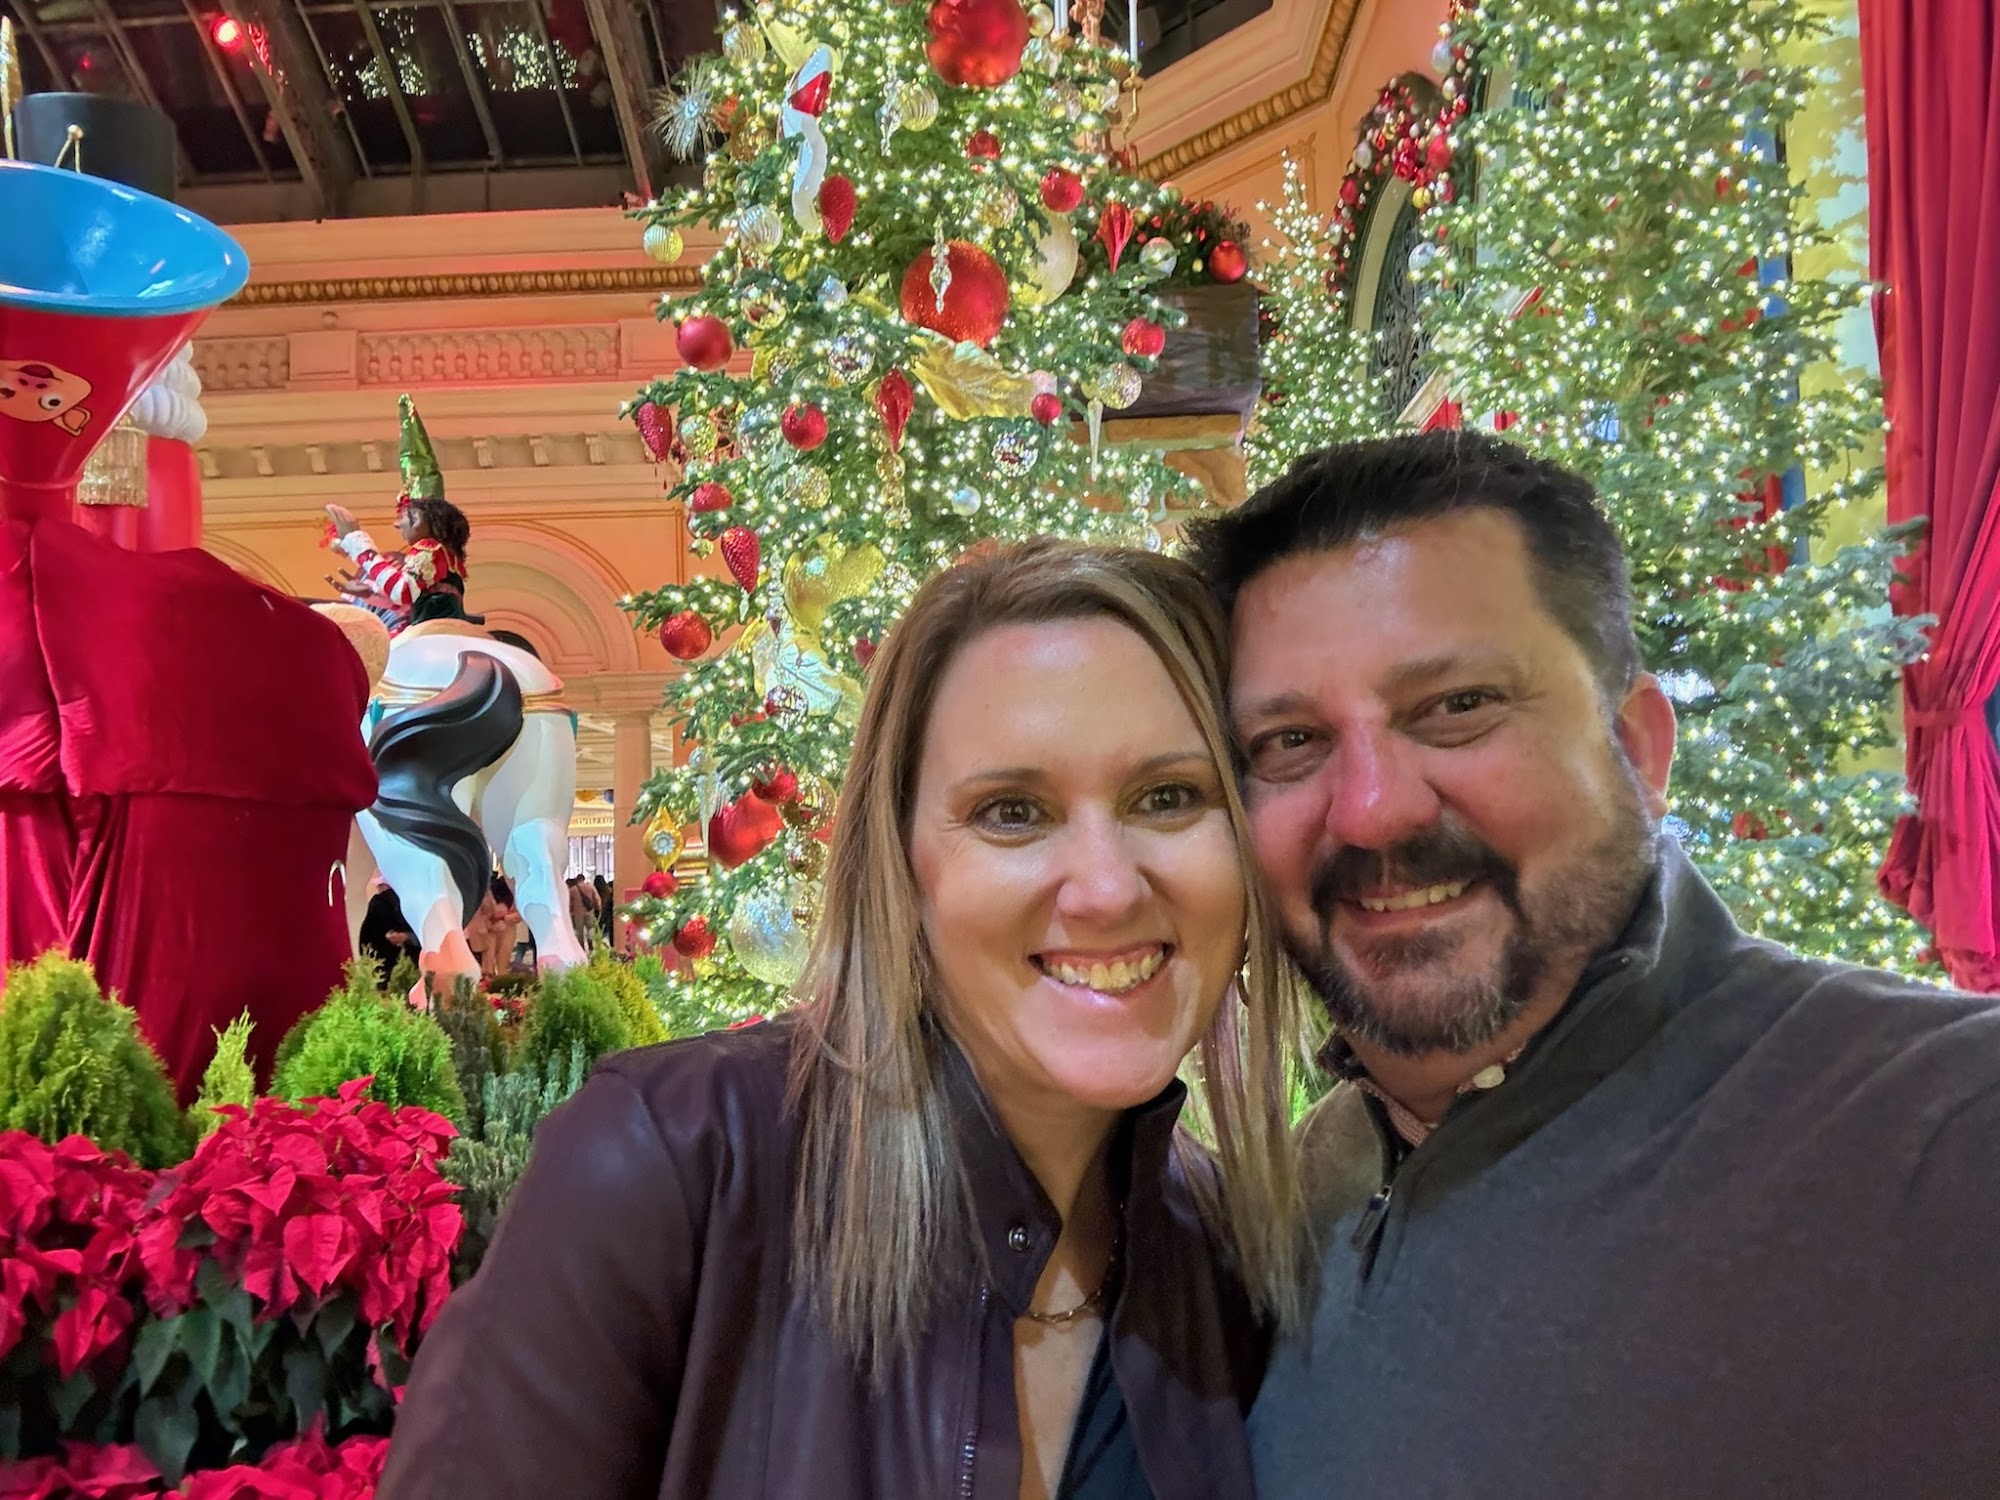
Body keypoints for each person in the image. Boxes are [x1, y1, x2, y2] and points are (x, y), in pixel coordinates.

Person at [376, 541, 1306, 1499]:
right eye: (1012, 812)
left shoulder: (1232, 1262)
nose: (1108, 889)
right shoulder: (670, 1172)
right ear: (901, 867)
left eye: (1169, 797)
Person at [1183, 430, 2000, 1497]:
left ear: (1638, 749)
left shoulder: (1942, 1135)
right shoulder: (1296, 1192)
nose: (1373, 810)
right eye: (1289, 742)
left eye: (1458, 706)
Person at [324, 395, 472, 635]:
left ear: (418, 519)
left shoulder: (428, 549)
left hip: (431, 631)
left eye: (404, 517)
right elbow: (411, 600)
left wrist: (359, 543)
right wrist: (370, 593)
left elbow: (401, 591)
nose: (397, 524)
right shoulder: (443, 554)